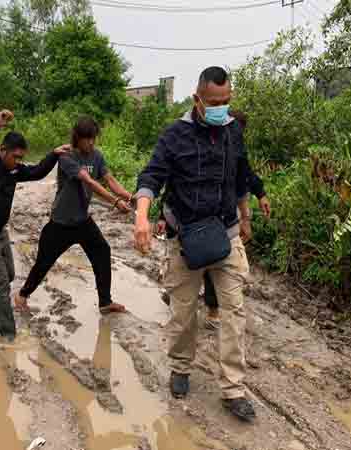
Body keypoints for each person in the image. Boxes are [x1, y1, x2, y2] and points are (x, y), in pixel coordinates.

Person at [133, 67, 256, 421]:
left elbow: (240, 176)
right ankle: (181, 368)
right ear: (197, 100)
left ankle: (233, 388)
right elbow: (152, 175)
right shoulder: (176, 135)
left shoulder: (233, 131)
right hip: (184, 237)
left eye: (227, 101)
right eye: (215, 102)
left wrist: (245, 216)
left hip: (227, 234)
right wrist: (142, 215)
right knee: (183, 311)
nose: (222, 108)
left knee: (233, 312)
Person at [157, 110, 271, 330]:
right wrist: (161, 215)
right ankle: (176, 295)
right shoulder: (186, 141)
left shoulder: (232, 148)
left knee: (214, 262)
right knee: (184, 266)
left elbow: (243, 177)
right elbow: (170, 183)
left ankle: (212, 309)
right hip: (185, 224)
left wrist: (255, 201)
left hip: (218, 224)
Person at [0, 109, 69, 341]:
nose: (18, 162)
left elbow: (37, 172)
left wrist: (53, 154)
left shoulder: (15, 170)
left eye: (21, 158)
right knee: (1, 279)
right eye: (15, 156)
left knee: (9, 274)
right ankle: (9, 335)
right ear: (2, 150)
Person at [14, 117, 133, 315]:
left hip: (82, 221)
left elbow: (109, 180)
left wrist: (129, 196)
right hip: (60, 223)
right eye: (88, 139)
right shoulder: (67, 157)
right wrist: (115, 202)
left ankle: (105, 302)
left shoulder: (97, 156)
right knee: (43, 263)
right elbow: (88, 181)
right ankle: (22, 295)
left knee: (102, 252)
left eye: (94, 138)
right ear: (78, 138)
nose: (92, 143)